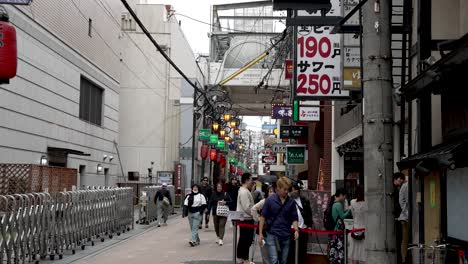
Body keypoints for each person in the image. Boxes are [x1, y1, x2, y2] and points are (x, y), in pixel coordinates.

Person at [258, 177, 299, 264]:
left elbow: (294, 218)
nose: (286, 191)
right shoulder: (270, 200)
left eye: (287, 189)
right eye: (284, 189)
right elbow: (263, 217)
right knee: (274, 259)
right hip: (272, 233)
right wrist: (260, 234)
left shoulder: (291, 202)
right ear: (278, 189)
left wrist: (296, 230)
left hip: (286, 234)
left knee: (283, 260)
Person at [288, 180, 312, 264]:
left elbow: (309, 213)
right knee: (291, 251)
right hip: (291, 229)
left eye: (295, 189)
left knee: (302, 250)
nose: (293, 191)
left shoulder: (304, 200)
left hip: (303, 229)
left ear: (298, 190)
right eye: (292, 189)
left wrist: (309, 226)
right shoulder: (287, 200)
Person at [251, 184, 276, 264]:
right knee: (265, 253)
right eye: (270, 192)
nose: (272, 193)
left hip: (273, 231)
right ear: (267, 193)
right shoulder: (264, 201)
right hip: (263, 231)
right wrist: (258, 218)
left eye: (273, 192)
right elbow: (253, 209)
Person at [328, 188, 351, 264]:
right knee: (339, 251)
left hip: (333, 232)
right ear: (341, 195)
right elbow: (342, 216)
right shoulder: (338, 204)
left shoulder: (334, 203)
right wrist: (349, 210)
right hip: (338, 232)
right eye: (344, 196)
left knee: (334, 251)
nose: (345, 198)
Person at [236, 173, 255, 264]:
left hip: (246, 218)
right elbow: (247, 207)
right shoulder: (244, 191)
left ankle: (242, 258)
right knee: (246, 239)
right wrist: (254, 214)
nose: (252, 182)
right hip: (246, 219)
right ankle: (244, 259)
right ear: (247, 180)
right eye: (251, 180)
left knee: (245, 239)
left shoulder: (245, 190)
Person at [349, 185, 367, 264]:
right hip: (365, 229)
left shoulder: (352, 202)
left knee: (354, 250)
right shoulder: (367, 202)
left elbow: (353, 215)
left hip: (355, 227)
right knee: (363, 250)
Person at [393, 172, 405, 264]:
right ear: (396, 179)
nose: (401, 181)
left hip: (397, 218)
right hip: (397, 218)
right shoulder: (395, 190)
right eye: (400, 179)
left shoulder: (396, 189)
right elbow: (397, 205)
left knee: (399, 240)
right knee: (398, 240)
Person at [398, 180, 409, 264]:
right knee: (405, 240)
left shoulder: (405, 186)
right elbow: (401, 202)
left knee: (405, 240)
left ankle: (404, 259)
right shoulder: (406, 186)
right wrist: (407, 213)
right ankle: (404, 259)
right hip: (406, 218)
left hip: (407, 216)